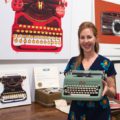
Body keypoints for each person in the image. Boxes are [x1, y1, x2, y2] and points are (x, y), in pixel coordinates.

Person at [64, 21, 117, 120]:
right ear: (79, 39)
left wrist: (107, 89)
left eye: (89, 37)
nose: (85, 41)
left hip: (100, 113)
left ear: (95, 39)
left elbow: (113, 93)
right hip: (77, 113)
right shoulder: (72, 62)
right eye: (82, 37)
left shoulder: (106, 63)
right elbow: (68, 92)